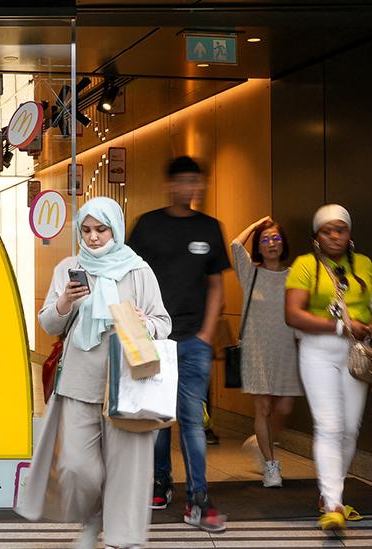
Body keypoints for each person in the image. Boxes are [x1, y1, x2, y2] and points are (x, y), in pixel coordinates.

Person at [17, 197, 171, 549]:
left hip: (128, 383)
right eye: (86, 230)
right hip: (79, 383)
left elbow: (163, 322)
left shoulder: (138, 270)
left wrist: (145, 324)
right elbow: (47, 322)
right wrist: (65, 301)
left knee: (126, 470)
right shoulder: (69, 267)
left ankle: (120, 537)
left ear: (115, 228)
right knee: (76, 468)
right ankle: (92, 519)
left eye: (101, 229)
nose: (93, 237)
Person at [128, 156, 230, 532]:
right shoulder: (148, 226)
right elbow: (132, 277)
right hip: (153, 340)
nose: (191, 188)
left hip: (192, 341)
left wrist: (206, 334)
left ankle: (198, 498)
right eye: (184, 181)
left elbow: (217, 285)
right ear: (171, 184)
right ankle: (161, 481)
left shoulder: (210, 228)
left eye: (196, 182)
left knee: (190, 420)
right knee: (156, 418)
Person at [284, 204, 372, 531]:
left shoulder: (365, 265)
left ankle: (331, 492)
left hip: (356, 353)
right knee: (329, 426)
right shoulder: (304, 265)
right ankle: (333, 503)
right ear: (316, 236)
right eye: (327, 230)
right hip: (318, 351)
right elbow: (293, 314)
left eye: (340, 229)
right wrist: (341, 327)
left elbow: (370, 303)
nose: (334, 235)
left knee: (350, 429)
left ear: (349, 234)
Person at [231, 216, 302, 488]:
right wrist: (257, 223)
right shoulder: (251, 274)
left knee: (283, 406)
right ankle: (271, 465)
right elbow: (236, 245)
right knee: (263, 407)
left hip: (286, 347)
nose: (271, 243)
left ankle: (259, 443)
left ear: (283, 244)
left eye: (276, 238)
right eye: (265, 239)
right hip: (256, 348)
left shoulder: (294, 275)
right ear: (259, 247)